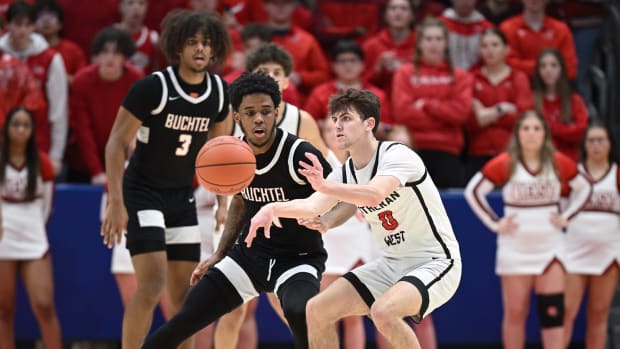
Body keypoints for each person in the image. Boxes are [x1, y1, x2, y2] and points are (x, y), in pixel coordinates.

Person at [246, 88, 463, 349]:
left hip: (435, 262)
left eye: (346, 118)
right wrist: (273, 209)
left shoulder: (397, 156)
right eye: (335, 119)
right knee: (316, 309)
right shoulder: (347, 171)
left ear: (369, 124)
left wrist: (325, 186)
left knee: (384, 312)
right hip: (391, 263)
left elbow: (373, 194)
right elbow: (312, 206)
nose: (337, 125)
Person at [141, 71, 332, 349]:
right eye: (250, 112)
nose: (258, 118)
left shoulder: (299, 153)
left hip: (297, 258)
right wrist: (220, 253)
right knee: (184, 319)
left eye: (266, 111)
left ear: (277, 112)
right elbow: (240, 203)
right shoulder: (232, 155)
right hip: (248, 257)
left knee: (300, 314)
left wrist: (327, 218)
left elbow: (338, 194)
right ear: (237, 115)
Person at [100, 9, 231, 349]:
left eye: (206, 43)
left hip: (181, 197)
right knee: (152, 283)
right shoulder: (152, 87)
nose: (200, 49)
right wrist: (116, 202)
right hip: (142, 192)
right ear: (177, 48)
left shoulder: (219, 93)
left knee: (185, 296)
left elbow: (220, 156)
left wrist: (222, 203)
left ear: (215, 49)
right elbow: (115, 144)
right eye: (192, 43)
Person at [217, 42, 329, 349]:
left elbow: (322, 170)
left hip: (288, 225)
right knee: (232, 310)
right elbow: (224, 170)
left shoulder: (301, 120)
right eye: (263, 71)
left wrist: (326, 208)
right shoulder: (235, 118)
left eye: (277, 72)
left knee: (290, 308)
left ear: (286, 80)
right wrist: (221, 205)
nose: (270, 76)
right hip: (247, 217)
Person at [464, 110, 592, 349]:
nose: (531, 134)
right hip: (515, 249)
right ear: (517, 134)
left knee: (553, 314)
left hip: (550, 248)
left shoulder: (557, 161)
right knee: (515, 314)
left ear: (545, 133)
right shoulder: (506, 163)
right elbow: (473, 191)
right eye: (526, 128)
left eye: (537, 128)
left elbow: (585, 188)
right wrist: (495, 222)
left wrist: (567, 216)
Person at [0, 107, 60, 349]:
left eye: (26, 125)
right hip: (3, 237)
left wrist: (36, 227)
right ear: (7, 128)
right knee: (3, 309)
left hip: (33, 235)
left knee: (44, 304)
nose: (21, 130)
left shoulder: (42, 161)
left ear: (33, 130)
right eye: (16, 124)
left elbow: (47, 205)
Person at [391, 17, 473, 189]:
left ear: (446, 43)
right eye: (428, 39)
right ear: (419, 43)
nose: (433, 44)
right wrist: (444, 113)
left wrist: (427, 105)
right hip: (412, 150)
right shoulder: (404, 73)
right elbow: (403, 113)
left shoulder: (460, 76)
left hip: (448, 151)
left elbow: (461, 114)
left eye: (438, 39)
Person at [564, 122, 620, 349]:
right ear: (584, 145)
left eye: (601, 140)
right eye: (591, 141)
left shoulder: (617, 174)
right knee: (566, 311)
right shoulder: (573, 174)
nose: (596, 145)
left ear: (609, 144)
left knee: (599, 314)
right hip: (574, 253)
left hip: (608, 255)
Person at [67, 26, 142, 184]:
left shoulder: (136, 80)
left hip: (124, 159)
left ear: (125, 57)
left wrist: (129, 164)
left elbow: (137, 127)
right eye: (105, 52)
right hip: (84, 163)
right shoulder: (82, 81)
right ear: (97, 55)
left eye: (116, 53)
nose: (110, 58)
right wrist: (96, 171)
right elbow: (83, 130)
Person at [0, 1, 68, 176]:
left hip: (38, 145)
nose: (22, 30)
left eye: (27, 25)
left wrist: (55, 155)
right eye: (17, 24)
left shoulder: (51, 58)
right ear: (7, 26)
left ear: (34, 26)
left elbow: (58, 112)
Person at [465, 27, 532, 179]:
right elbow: (469, 121)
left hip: (512, 152)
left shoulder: (518, 78)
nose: (490, 50)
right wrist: (503, 109)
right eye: (484, 46)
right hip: (477, 153)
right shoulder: (471, 78)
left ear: (506, 49)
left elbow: (522, 119)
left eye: (495, 45)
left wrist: (486, 114)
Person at [532, 48, 588, 161]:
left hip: (569, 159)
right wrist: (565, 130)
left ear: (561, 69)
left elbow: (580, 131)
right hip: (539, 159)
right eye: (543, 66)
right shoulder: (531, 100)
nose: (548, 70)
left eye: (553, 65)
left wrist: (550, 128)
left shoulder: (574, 100)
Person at [500, 0, 578, 80]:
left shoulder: (561, 29)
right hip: (517, 86)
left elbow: (570, 69)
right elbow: (505, 64)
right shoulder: (508, 28)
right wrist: (547, 68)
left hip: (554, 87)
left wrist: (527, 67)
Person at [33, 0, 87, 83]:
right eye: (41, 15)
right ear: (33, 24)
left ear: (60, 23)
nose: (46, 20)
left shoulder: (74, 51)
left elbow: (83, 81)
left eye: (51, 15)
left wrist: (60, 77)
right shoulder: (28, 51)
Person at [115, 0, 161, 74]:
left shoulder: (153, 37)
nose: (136, 7)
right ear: (121, 7)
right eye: (130, 3)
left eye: (141, 3)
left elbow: (156, 70)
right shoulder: (110, 36)